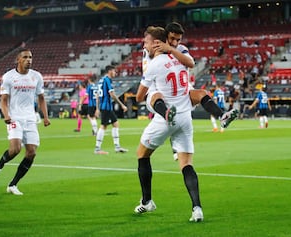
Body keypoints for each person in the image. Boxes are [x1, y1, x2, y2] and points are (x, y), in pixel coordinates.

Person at [134, 26, 203, 222]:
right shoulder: (179, 56)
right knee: (186, 164)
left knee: (142, 154)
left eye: (146, 41)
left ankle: (147, 201)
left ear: (156, 43)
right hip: (185, 115)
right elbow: (189, 64)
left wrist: (147, 88)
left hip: (164, 114)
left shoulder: (157, 61)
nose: (144, 44)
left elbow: (140, 96)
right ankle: (197, 208)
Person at [144, 22, 238, 160]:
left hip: (182, 89)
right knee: (169, 111)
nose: (175, 42)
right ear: (165, 37)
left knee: (201, 94)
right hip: (160, 90)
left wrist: (170, 49)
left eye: (178, 39)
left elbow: (191, 63)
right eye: (172, 39)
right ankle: (174, 148)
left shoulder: (180, 49)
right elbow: (147, 72)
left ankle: (222, 116)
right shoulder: (151, 50)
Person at [0, 48, 51, 195]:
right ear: (18, 59)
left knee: (31, 152)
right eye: (25, 57)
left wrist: (46, 117)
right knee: (15, 149)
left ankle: (13, 185)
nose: (29, 59)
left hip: (30, 118)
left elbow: (41, 98)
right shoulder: (9, 77)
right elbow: (3, 100)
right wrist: (6, 115)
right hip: (14, 117)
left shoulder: (37, 76)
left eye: (30, 57)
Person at [94, 65, 128, 154]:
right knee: (103, 126)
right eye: (114, 71)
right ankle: (97, 149)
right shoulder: (107, 80)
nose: (115, 73)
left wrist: (97, 108)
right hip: (106, 107)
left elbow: (97, 95)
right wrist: (122, 105)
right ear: (109, 71)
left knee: (116, 124)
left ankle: (117, 147)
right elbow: (112, 94)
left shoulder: (101, 80)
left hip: (104, 106)